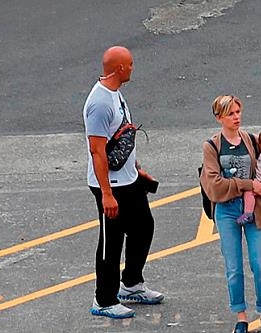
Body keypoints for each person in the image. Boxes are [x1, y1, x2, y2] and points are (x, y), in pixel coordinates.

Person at [83, 46, 164, 319]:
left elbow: (122, 136)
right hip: (111, 185)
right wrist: (106, 194)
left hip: (128, 179)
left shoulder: (116, 94)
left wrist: (138, 169)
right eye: (129, 64)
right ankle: (104, 299)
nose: (132, 68)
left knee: (143, 227)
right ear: (119, 68)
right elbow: (97, 150)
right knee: (111, 242)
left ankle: (131, 285)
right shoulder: (99, 104)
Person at [200, 95, 261, 333]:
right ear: (219, 118)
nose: (236, 117)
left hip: (254, 208)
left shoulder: (252, 141)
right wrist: (248, 185)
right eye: (230, 114)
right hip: (226, 210)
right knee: (234, 268)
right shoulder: (212, 146)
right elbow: (214, 186)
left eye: (238, 112)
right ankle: (241, 316)